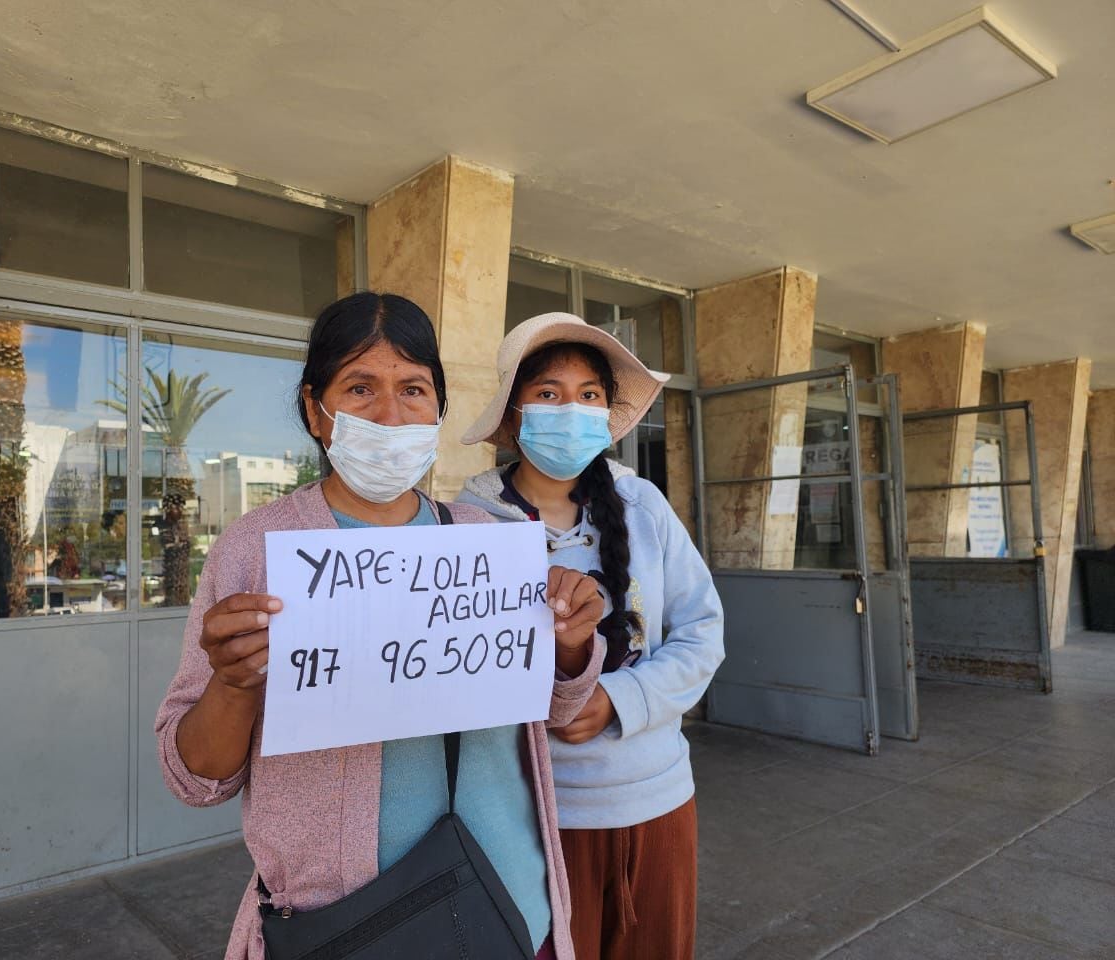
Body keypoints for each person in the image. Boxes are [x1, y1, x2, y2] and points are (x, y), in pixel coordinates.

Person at [156, 292, 608, 960]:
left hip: (509, 908)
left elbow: (550, 711)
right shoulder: (257, 550)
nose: (391, 415)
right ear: (316, 409)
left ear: (438, 410)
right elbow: (196, 778)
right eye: (360, 387)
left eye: (414, 389)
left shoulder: (489, 540)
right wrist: (232, 683)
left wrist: (571, 646)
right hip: (343, 928)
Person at [457, 312, 725, 960]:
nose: (569, 410)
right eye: (548, 393)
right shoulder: (467, 522)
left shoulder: (645, 507)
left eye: (589, 395)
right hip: (528, 821)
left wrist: (618, 699)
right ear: (515, 410)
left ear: (607, 413)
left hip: (656, 802)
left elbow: (702, 632)